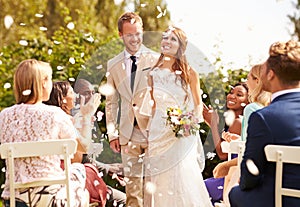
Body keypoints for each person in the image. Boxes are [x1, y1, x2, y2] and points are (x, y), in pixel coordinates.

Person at [0, 59, 89, 207]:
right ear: (43, 83)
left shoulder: (4, 116)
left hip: (15, 198)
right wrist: (85, 117)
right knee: (79, 169)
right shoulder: (55, 114)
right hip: (49, 197)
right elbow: (83, 148)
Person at [142, 26, 212, 206]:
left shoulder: (190, 73)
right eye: (165, 38)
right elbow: (153, 106)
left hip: (182, 133)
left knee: (182, 175)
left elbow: (198, 106)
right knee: (159, 179)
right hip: (158, 132)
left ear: (181, 46)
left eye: (173, 39)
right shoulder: (152, 73)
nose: (167, 42)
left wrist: (186, 124)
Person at [229, 40, 300, 207]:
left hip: (281, 200)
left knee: (234, 192)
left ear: (271, 74)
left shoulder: (264, 117)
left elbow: (249, 177)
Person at [105, 12, 158, 207]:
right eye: (129, 35)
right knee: (132, 191)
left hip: (153, 131)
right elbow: (110, 103)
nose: (134, 39)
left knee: (152, 188)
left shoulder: (156, 59)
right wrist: (112, 134)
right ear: (120, 35)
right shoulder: (113, 64)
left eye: (138, 34)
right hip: (127, 134)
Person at [44, 81, 126, 207]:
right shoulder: (65, 121)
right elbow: (77, 158)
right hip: (68, 185)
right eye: (72, 92)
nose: (76, 96)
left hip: (54, 182)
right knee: (124, 200)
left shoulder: (49, 121)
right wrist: (87, 116)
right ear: (62, 99)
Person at [214, 64, 271, 206]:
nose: (246, 82)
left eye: (248, 78)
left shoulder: (252, 108)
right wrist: (239, 140)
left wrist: (226, 165)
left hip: (249, 172)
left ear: (257, 81)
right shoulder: (266, 106)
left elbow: (250, 150)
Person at [203, 82, 249, 205]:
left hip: (232, 177)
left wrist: (213, 125)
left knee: (199, 189)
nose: (232, 96)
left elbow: (223, 154)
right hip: (231, 174)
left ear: (248, 101)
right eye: (231, 92)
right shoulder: (237, 120)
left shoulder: (238, 122)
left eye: (239, 95)